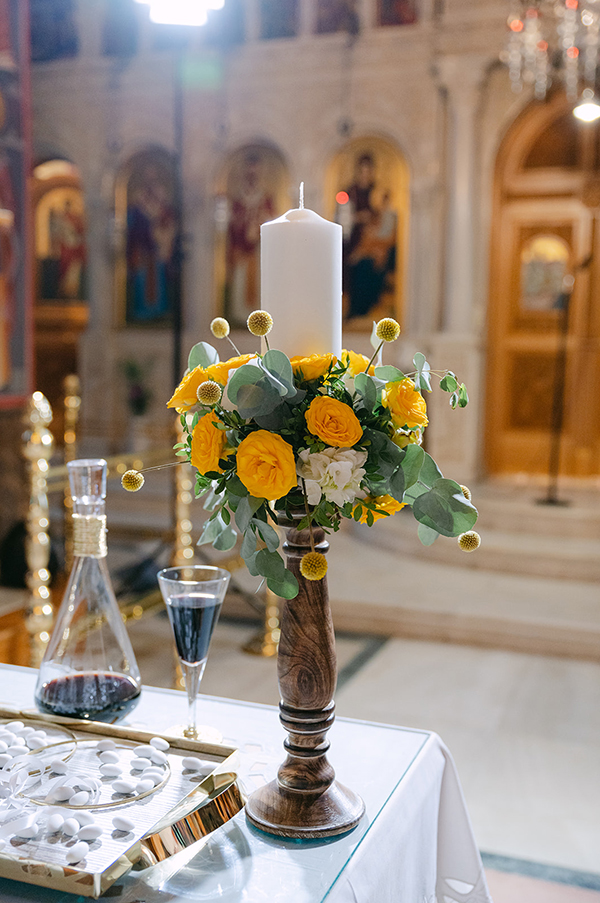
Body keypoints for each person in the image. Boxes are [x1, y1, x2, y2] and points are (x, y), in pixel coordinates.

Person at [340, 154, 397, 320]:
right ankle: (354, 310)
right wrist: (358, 217)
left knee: (375, 265)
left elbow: (385, 214)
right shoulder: (350, 192)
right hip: (355, 238)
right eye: (362, 172)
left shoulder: (377, 191)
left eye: (368, 171)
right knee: (356, 268)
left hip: (375, 240)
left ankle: (369, 308)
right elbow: (342, 218)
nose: (365, 175)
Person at [225, 151, 275, 325]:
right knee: (240, 282)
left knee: (260, 283)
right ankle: (241, 317)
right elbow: (232, 224)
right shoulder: (238, 199)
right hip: (241, 250)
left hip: (259, 250)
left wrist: (259, 227)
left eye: (256, 171)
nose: (252, 175)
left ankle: (260, 321)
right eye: (249, 171)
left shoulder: (266, 198)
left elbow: (272, 221)